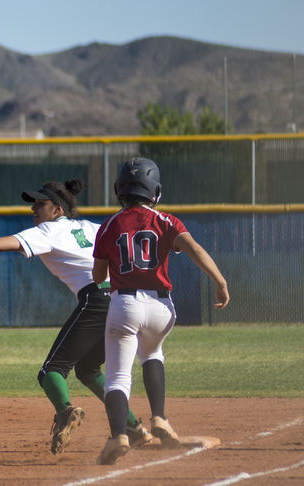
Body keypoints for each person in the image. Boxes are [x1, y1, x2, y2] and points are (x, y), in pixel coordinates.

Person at [0, 179, 153, 455]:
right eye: (33, 204)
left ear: (58, 210)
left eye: (40, 204)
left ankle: (65, 411)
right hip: (122, 300)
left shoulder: (48, 231)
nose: (34, 209)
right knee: (88, 370)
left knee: (51, 371)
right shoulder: (91, 227)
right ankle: (134, 428)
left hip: (96, 300)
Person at [92, 158, 230, 465]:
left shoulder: (108, 226)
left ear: (119, 189)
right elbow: (195, 249)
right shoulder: (167, 221)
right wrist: (220, 281)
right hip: (161, 307)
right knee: (152, 354)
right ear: (155, 191)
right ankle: (159, 419)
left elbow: (98, 277)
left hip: (124, 305)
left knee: (117, 377)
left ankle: (119, 437)